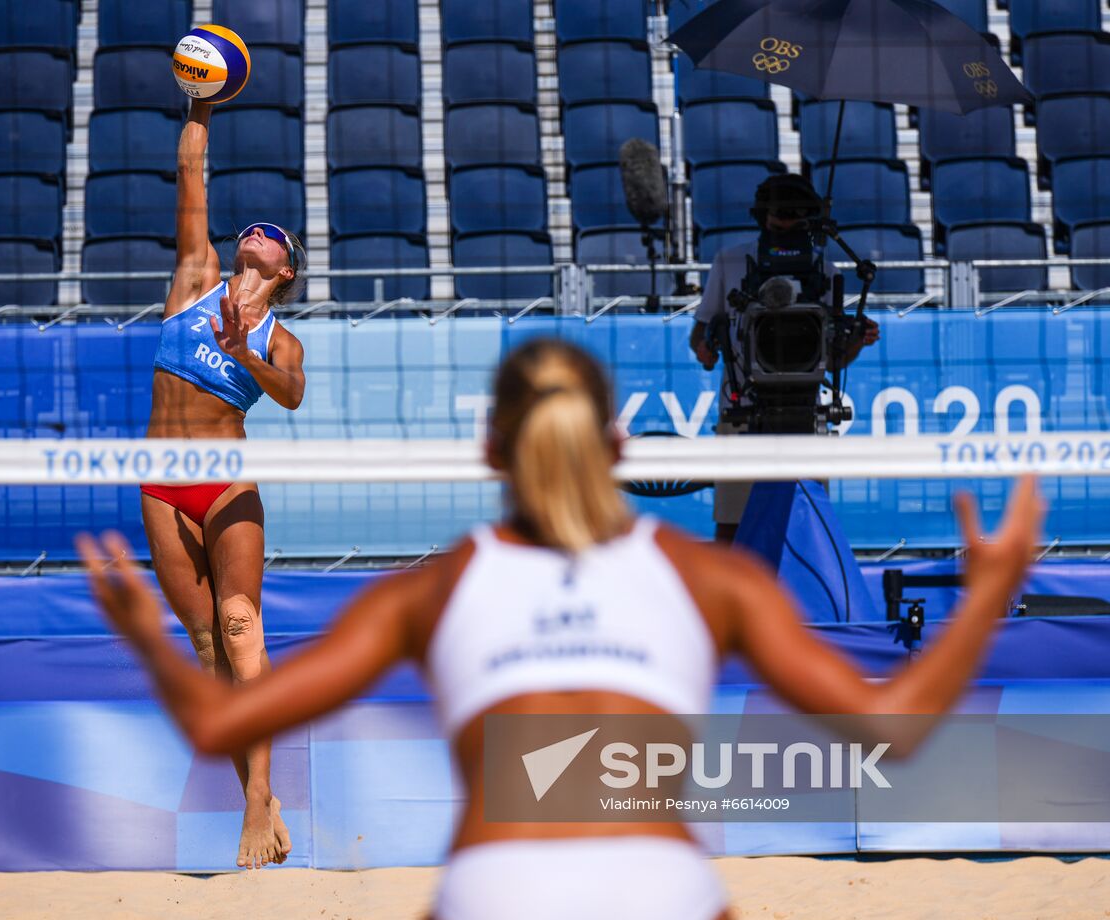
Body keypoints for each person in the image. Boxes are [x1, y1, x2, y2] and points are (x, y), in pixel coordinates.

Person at [81, 339, 1044, 917]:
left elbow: (217, 725)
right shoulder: (708, 579)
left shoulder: (437, 590)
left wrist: (143, 633)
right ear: (621, 448)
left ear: (490, 448)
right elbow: (896, 726)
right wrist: (986, 597)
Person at [140, 96, 308, 869]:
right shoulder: (195, 277)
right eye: (255, 233)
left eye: (273, 239)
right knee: (208, 648)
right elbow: (189, 174)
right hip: (161, 486)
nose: (259, 234)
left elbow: (291, 394)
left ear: (287, 270)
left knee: (242, 630)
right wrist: (199, 103)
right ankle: (264, 798)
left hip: (226, 484)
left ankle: (251, 803)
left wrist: (242, 350)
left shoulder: (283, 337)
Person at [689, 173, 881, 543]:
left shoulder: (825, 270)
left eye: (797, 212)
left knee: (808, 524)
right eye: (781, 211)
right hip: (743, 409)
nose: (788, 219)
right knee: (732, 524)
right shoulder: (729, 261)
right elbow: (701, 336)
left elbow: (835, 360)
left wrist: (857, 340)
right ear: (762, 214)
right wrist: (709, 344)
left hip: (805, 411)